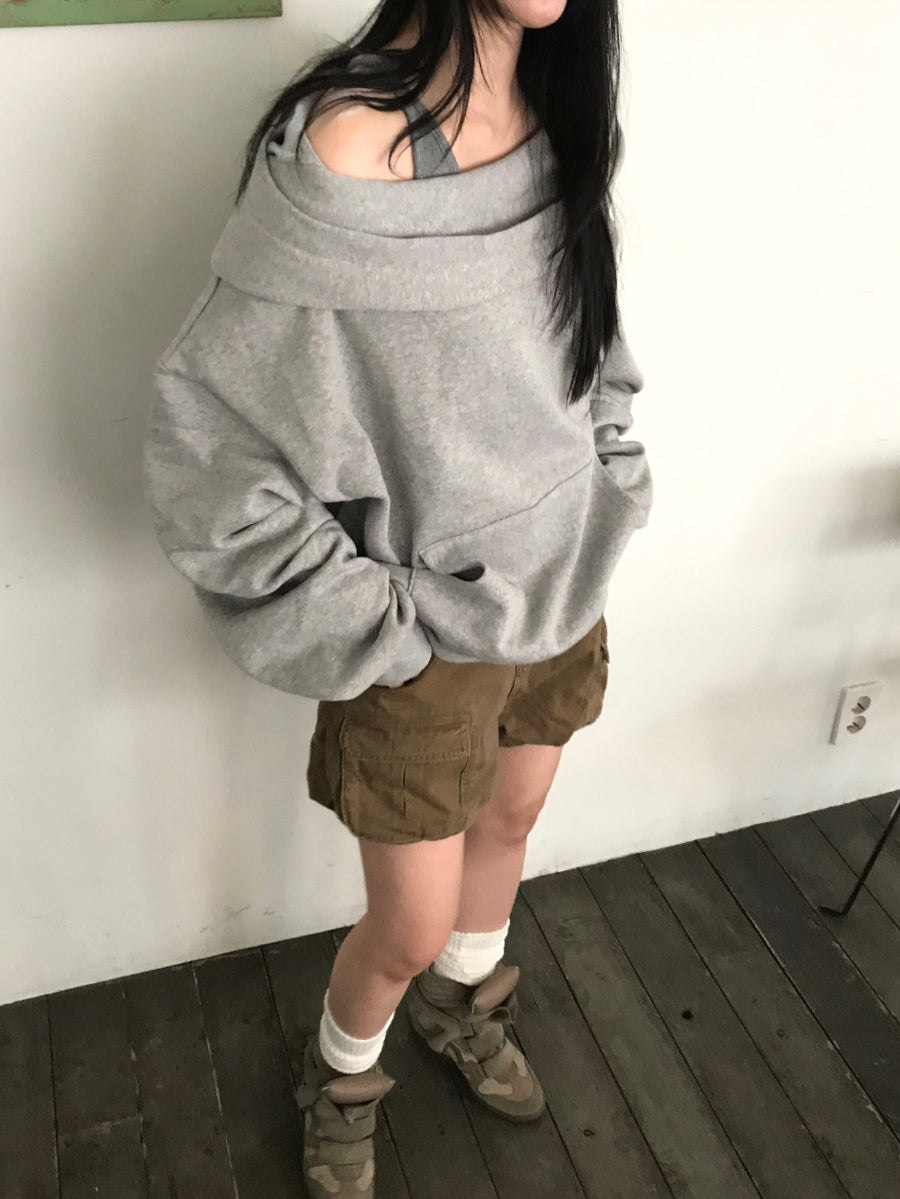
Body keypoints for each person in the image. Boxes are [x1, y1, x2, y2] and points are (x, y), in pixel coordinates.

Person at [141, 1, 652, 1194]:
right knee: (408, 923)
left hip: (562, 587)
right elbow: (210, 444)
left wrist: (610, 466)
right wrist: (380, 628)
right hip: (425, 632)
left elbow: (585, 331)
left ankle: (464, 1005)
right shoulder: (349, 148)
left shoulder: (559, 101)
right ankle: (340, 1077)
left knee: (512, 823)